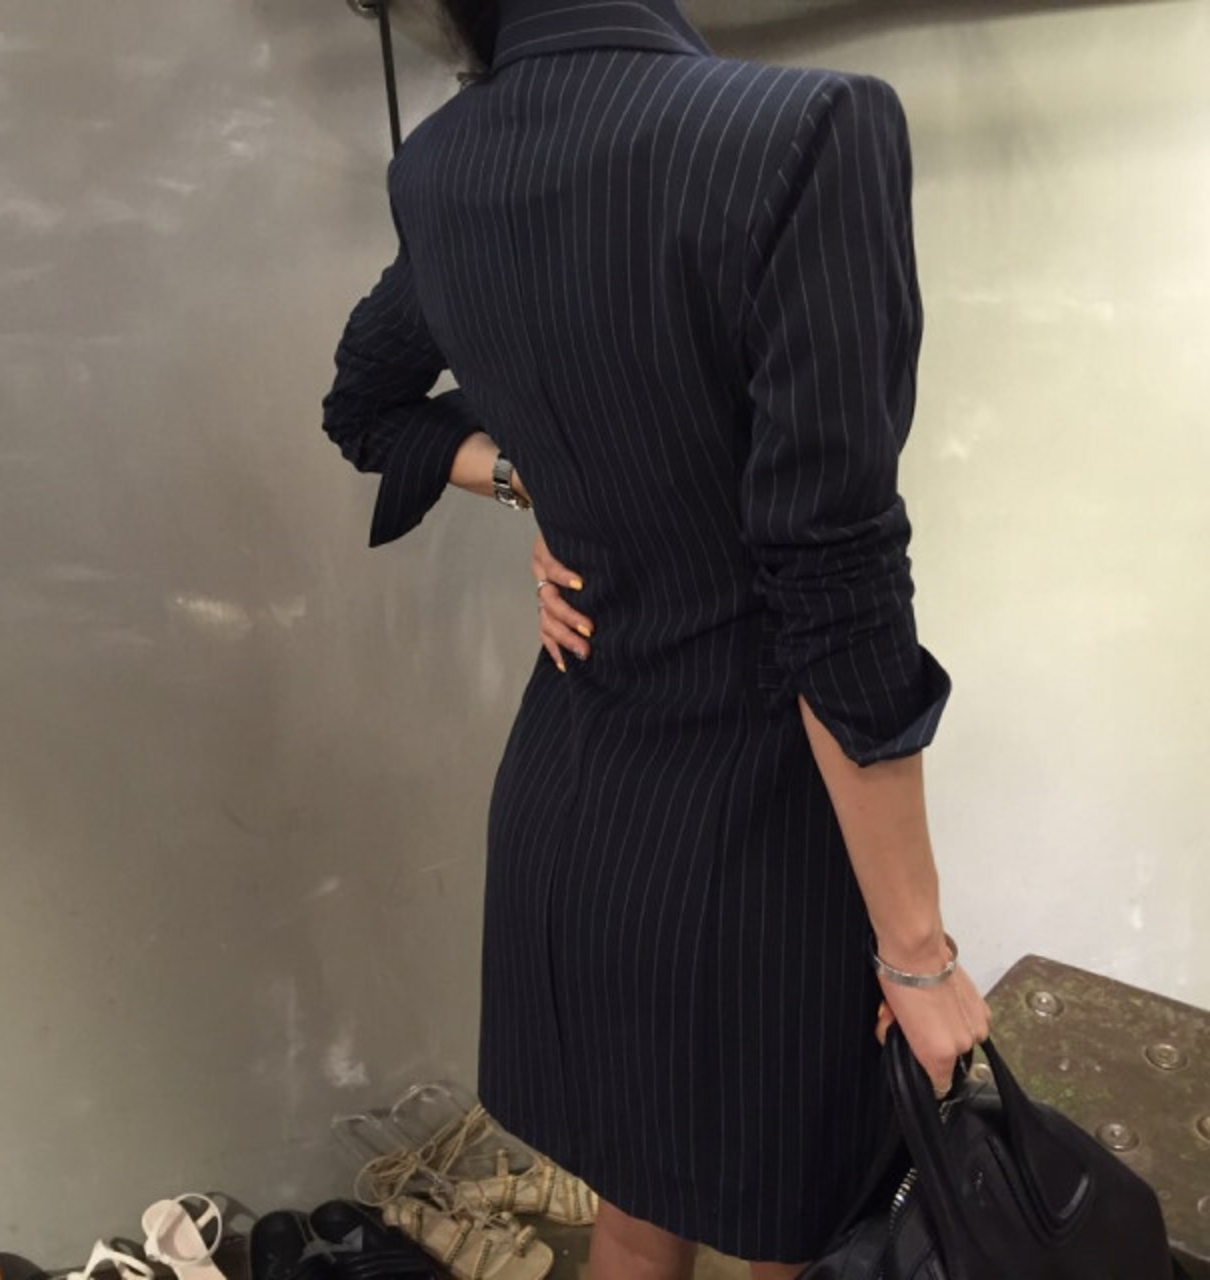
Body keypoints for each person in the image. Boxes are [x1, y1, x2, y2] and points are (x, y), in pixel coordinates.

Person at [320, 1, 992, 1275]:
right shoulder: (807, 129)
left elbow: (366, 404)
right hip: (754, 839)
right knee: (797, 1234)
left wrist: (550, 483)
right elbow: (832, 580)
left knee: (633, 1208)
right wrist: (917, 954)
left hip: (574, 817)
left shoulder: (441, 166)